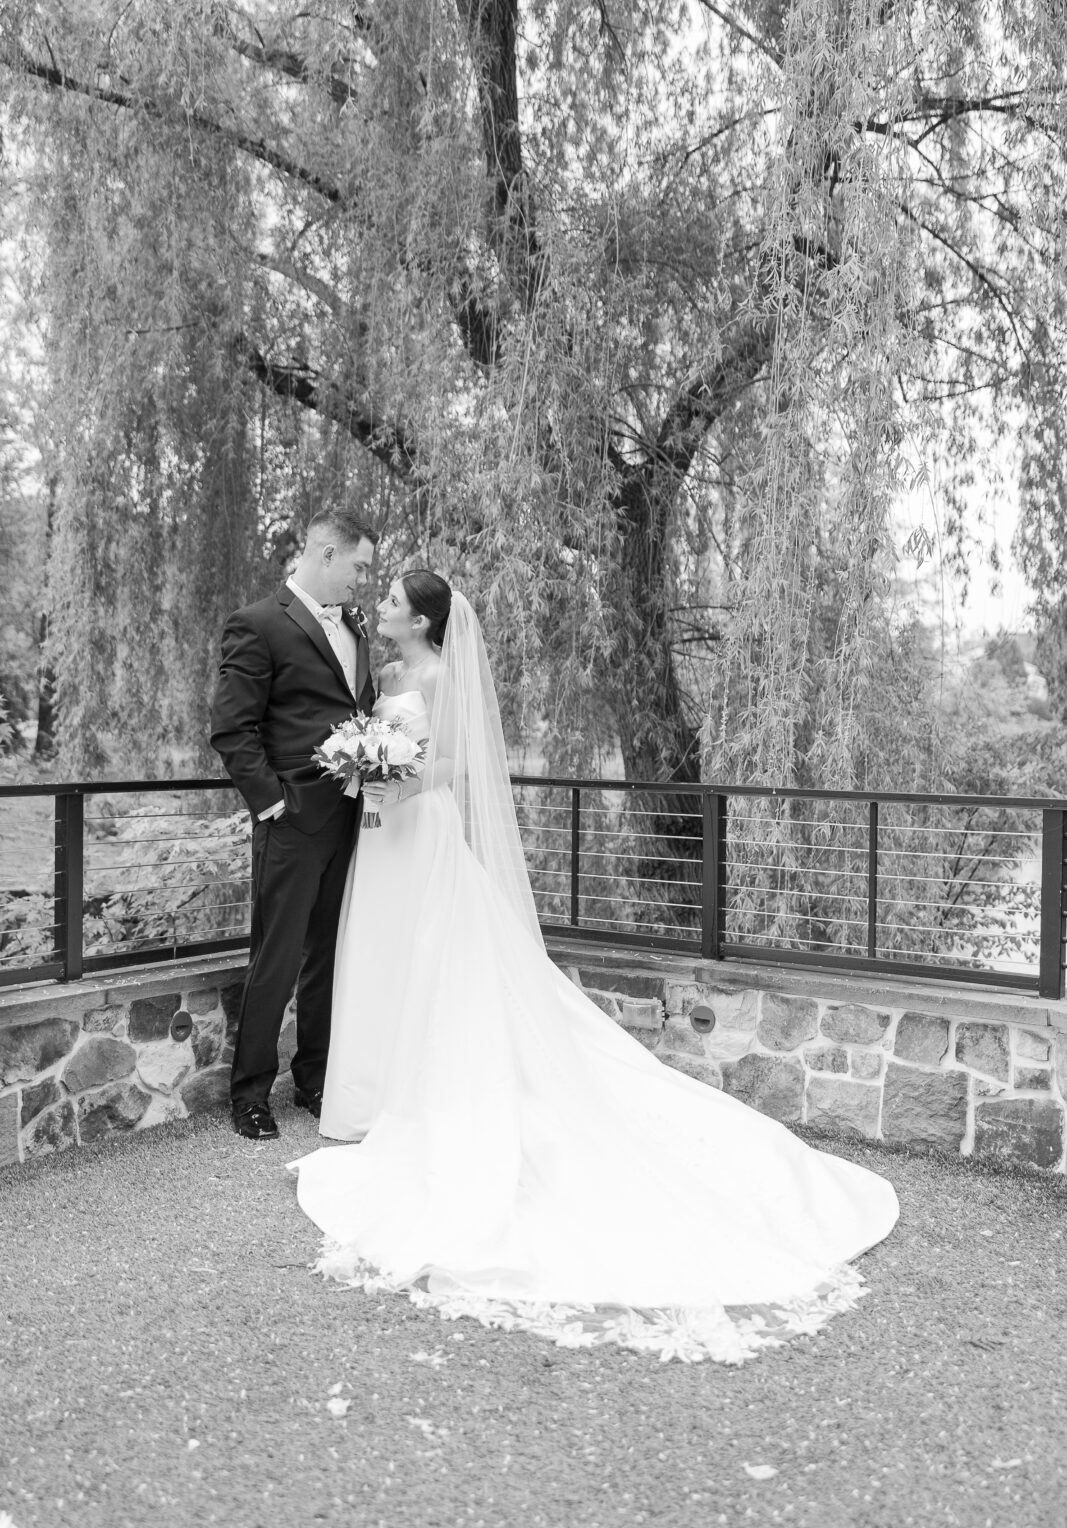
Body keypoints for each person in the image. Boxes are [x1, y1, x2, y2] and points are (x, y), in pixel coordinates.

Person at [290, 573, 900, 1362]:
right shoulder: (394, 675)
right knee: (386, 962)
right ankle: (373, 1096)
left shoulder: (440, 676)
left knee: (438, 965)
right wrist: (364, 770)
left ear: (422, 618)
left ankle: (424, 1098)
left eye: (392, 602)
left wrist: (382, 778)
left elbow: (449, 769)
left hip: (416, 831)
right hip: (383, 838)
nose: (381, 609)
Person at [210, 509, 378, 1141]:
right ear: (325, 554)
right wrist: (271, 802)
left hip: (349, 817)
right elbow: (232, 727)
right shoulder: (257, 624)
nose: (363, 581)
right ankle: (250, 1092)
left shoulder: (356, 627)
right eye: (358, 566)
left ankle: (314, 1079)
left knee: (328, 956)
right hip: (290, 819)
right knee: (274, 958)